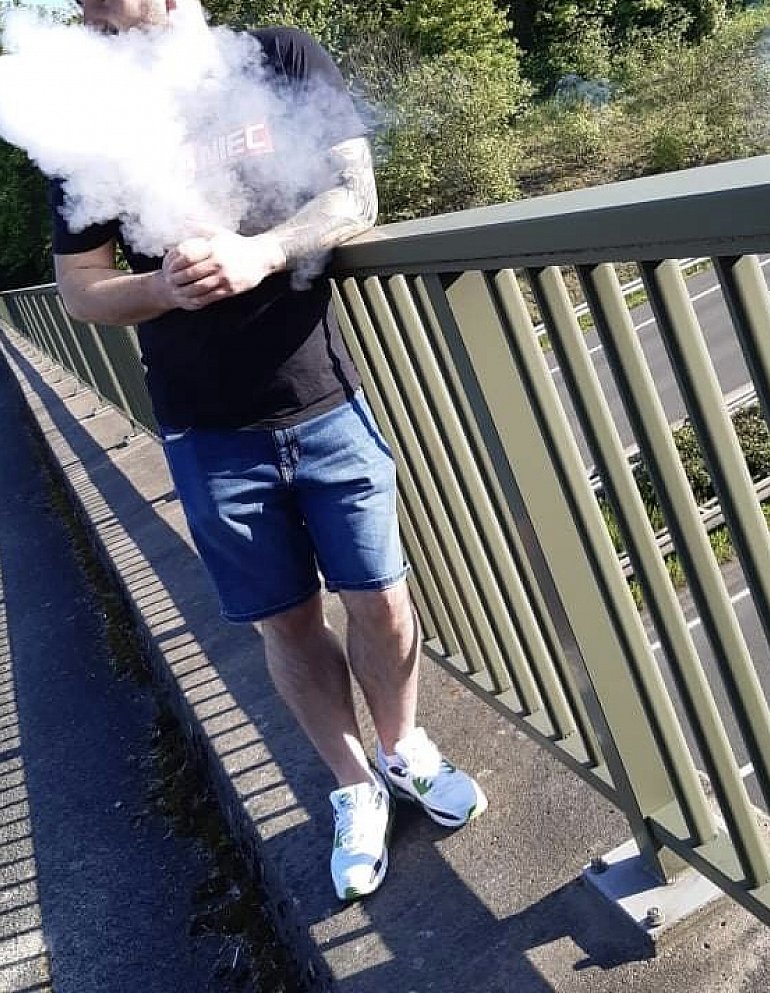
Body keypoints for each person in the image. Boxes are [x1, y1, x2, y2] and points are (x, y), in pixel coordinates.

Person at [50, 0, 486, 902]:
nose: (89, 9)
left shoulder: (279, 55)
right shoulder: (84, 114)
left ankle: (403, 749)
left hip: (322, 399)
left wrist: (262, 253)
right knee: (286, 623)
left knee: (382, 599)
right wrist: (162, 288)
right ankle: (355, 786)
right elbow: (81, 290)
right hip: (205, 431)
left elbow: (355, 196)